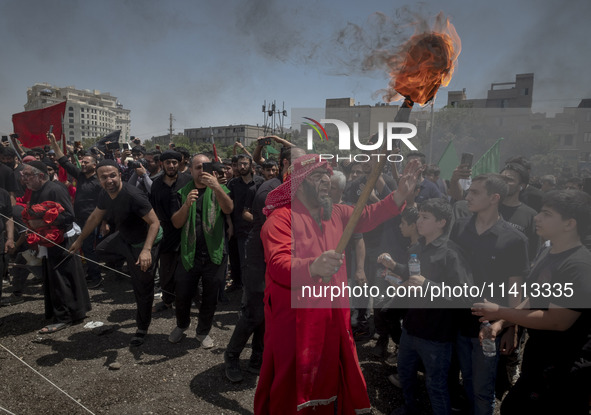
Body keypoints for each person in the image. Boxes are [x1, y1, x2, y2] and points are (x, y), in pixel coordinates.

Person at [254, 154, 420, 415]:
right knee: (295, 374)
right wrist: (311, 267)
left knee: (331, 367)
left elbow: (368, 214)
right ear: (298, 182)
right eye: (317, 175)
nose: (325, 180)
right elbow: (277, 264)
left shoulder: (338, 213)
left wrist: (399, 195)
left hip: (333, 312)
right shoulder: (280, 220)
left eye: (326, 175)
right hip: (297, 317)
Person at [472, 189, 591, 415]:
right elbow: (535, 297)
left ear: (569, 224)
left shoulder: (579, 266)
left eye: (546, 214)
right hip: (540, 355)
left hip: (565, 365)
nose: (537, 218)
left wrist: (501, 311)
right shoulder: (549, 253)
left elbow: (557, 320)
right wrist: (501, 324)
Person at [378, 198, 473, 415]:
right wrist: (394, 266)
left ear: (441, 222)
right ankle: (410, 409)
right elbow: (414, 276)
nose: (418, 221)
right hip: (412, 327)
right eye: (419, 216)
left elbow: (466, 296)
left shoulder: (452, 253)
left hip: (436, 335)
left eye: (425, 217)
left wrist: (428, 285)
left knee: (436, 385)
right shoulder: (419, 246)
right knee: (405, 374)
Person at [223, 145, 305, 383]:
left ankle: (258, 358)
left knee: (269, 313)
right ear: (286, 164)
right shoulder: (271, 189)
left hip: (283, 257)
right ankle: (232, 355)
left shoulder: (303, 189)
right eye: (300, 162)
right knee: (253, 312)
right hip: (260, 257)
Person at [449, 174, 529, 415]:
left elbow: (515, 287)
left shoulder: (514, 239)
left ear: (494, 198)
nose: (467, 196)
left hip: (487, 329)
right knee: (455, 379)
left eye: (475, 192)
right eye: (468, 190)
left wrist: (512, 327)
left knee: (483, 389)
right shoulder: (459, 228)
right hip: (454, 322)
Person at [69, 159, 161, 346]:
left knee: (142, 288)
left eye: (112, 175)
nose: (109, 180)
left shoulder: (133, 195)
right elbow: (95, 216)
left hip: (147, 241)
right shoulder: (104, 193)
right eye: (104, 177)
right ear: (98, 179)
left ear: (120, 175)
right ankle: (132, 266)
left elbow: (155, 223)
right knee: (101, 250)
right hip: (126, 238)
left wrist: (146, 251)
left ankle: (142, 328)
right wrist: (79, 240)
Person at [168, 154, 233, 348]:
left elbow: (229, 209)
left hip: (214, 254)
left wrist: (217, 187)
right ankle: (181, 325)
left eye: (205, 167)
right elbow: (176, 223)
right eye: (197, 167)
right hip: (190, 254)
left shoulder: (219, 189)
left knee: (210, 297)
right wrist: (187, 205)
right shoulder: (181, 192)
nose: (201, 171)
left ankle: (203, 331)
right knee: (182, 294)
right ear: (190, 170)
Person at [22, 161, 91, 333]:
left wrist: (42, 221)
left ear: (40, 175)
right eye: (23, 176)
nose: (24, 180)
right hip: (48, 240)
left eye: (27, 175)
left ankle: (65, 316)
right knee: (55, 278)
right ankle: (68, 312)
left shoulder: (55, 189)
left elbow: (68, 215)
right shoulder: (36, 191)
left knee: (61, 278)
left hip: (60, 240)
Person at [48, 133, 103, 288]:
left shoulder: (99, 182)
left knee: (88, 248)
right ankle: (88, 273)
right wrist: (54, 143)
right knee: (80, 248)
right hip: (77, 219)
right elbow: (63, 161)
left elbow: (104, 204)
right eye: (82, 162)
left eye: (86, 162)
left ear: (94, 165)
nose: (82, 164)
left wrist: (104, 222)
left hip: (91, 220)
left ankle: (96, 277)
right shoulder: (80, 176)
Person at [149, 150, 191, 313]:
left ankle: (189, 299)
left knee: (187, 269)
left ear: (179, 163)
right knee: (166, 271)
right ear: (162, 164)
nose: (171, 166)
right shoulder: (156, 184)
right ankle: (167, 301)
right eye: (168, 163)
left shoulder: (188, 180)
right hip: (166, 233)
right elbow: (153, 209)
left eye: (174, 162)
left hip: (186, 231)